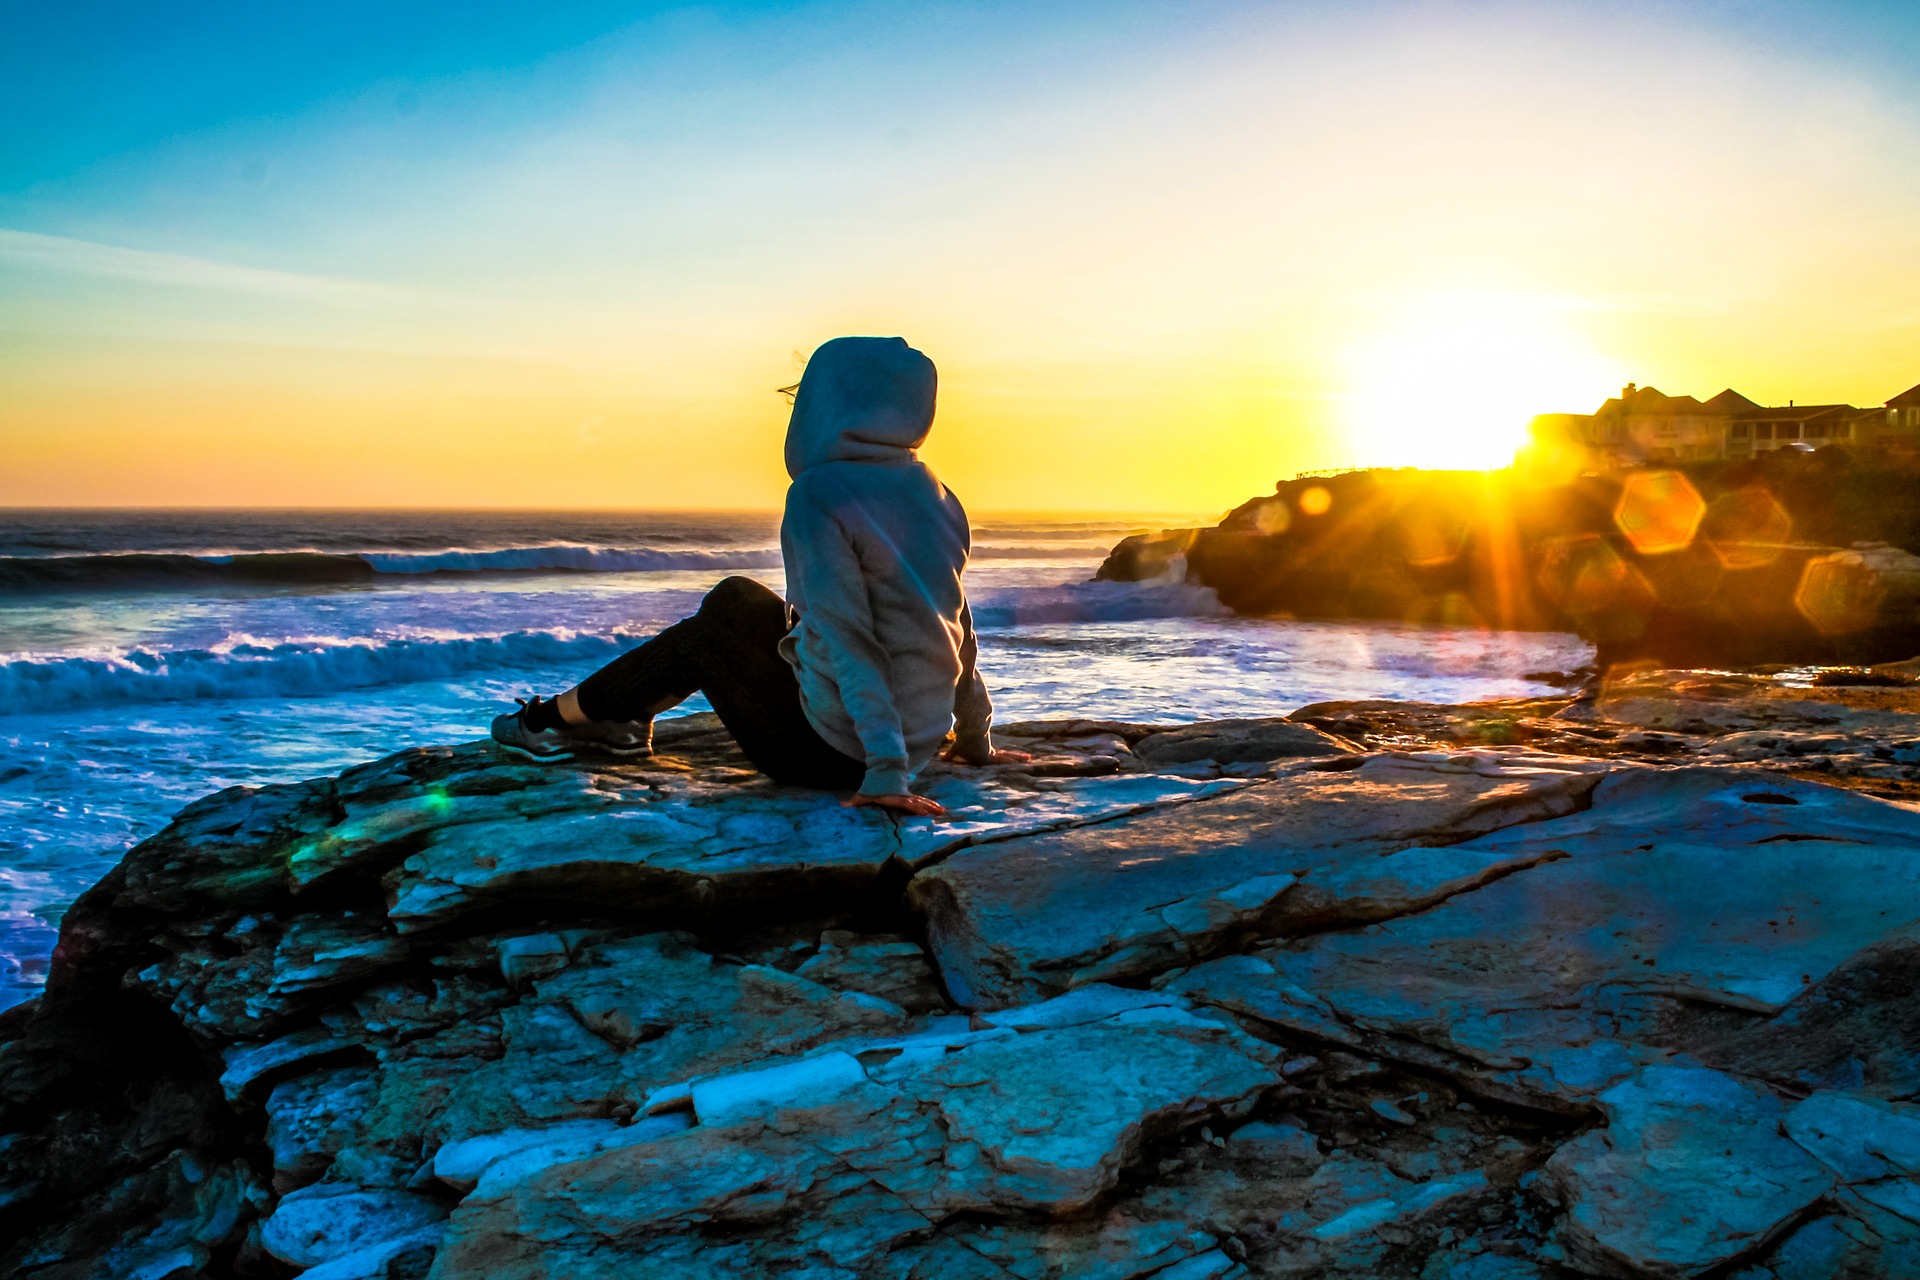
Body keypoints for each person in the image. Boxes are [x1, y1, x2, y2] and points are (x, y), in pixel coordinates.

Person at [489, 335, 1027, 816]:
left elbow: (848, 634)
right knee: (742, 603)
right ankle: (609, 718)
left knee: (715, 624)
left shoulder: (819, 495)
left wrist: (884, 770)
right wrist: (975, 737)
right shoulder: (934, 493)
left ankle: (555, 723)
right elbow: (956, 623)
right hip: (920, 742)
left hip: (834, 756)